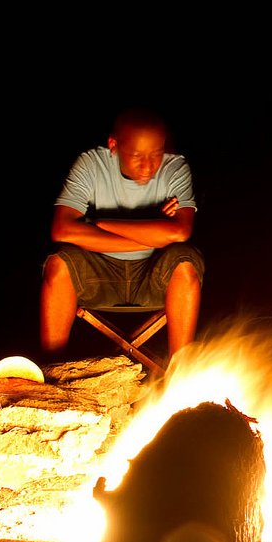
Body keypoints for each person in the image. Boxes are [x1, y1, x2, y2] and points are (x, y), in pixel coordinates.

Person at [40, 107, 205, 364]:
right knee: (58, 263)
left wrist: (98, 223)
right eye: (137, 155)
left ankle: (180, 370)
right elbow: (62, 229)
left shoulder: (175, 168)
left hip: (152, 277)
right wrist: (153, 229)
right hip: (99, 275)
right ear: (114, 145)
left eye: (156, 154)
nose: (148, 166)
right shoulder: (91, 164)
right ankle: (50, 371)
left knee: (185, 261)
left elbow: (180, 232)